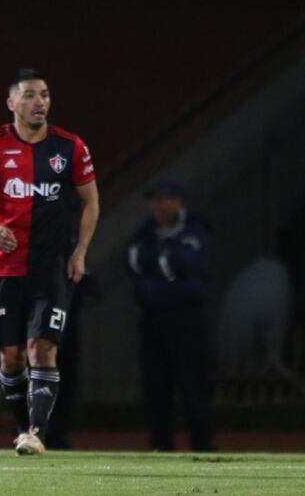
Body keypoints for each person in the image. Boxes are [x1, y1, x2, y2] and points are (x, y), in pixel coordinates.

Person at [0, 68, 99, 456]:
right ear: (11, 103)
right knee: (11, 356)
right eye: (29, 95)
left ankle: (36, 432)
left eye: (44, 94)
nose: (39, 102)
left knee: (43, 347)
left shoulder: (70, 147)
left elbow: (90, 202)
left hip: (51, 265)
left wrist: (80, 251)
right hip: (4, 266)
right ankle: (22, 426)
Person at [127, 181, 215, 452]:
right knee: (155, 387)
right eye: (154, 200)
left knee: (194, 387)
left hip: (186, 320)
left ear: (178, 201)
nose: (158, 206)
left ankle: (203, 447)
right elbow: (132, 261)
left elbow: (190, 266)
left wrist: (162, 264)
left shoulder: (195, 231)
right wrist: (165, 263)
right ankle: (160, 447)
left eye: (164, 200)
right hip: (153, 320)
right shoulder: (146, 233)